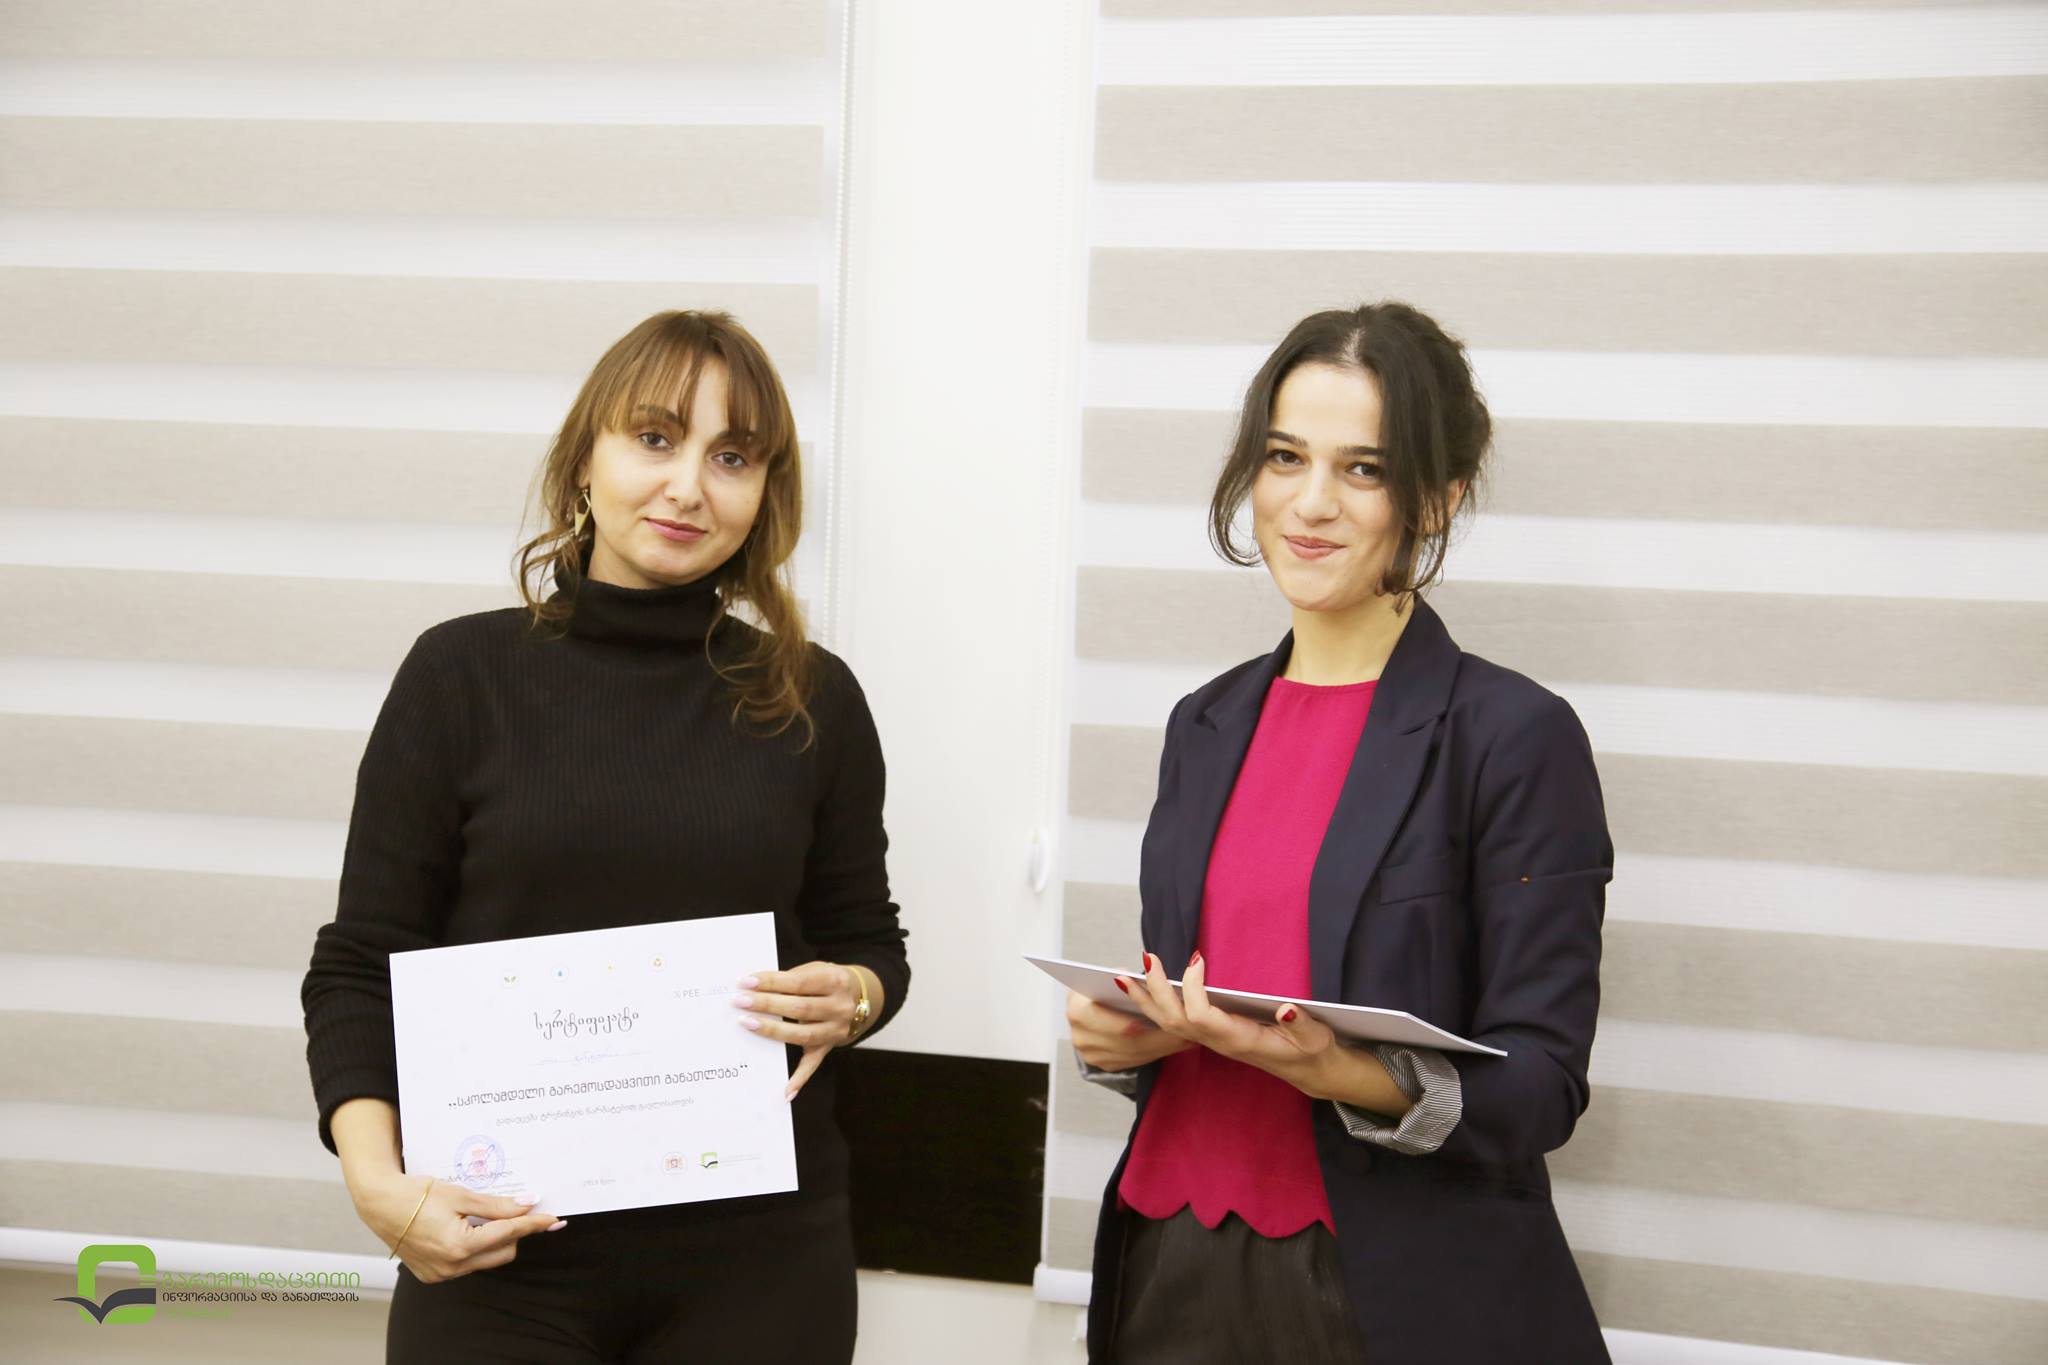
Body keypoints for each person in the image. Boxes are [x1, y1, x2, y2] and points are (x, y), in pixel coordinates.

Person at [301, 310, 909, 1364]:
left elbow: (869, 942)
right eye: (655, 439)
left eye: (732, 457)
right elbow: (361, 961)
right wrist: (375, 1180)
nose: (688, 487)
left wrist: (852, 995)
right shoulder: (459, 676)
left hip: (760, 1255)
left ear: (765, 493)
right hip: (499, 1249)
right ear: (587, 457)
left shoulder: (813, 696)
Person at [1066, 302, 1612, 1363]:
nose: (1310, 502)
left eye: (1364, 469)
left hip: (1387, 1287)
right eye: (1285, 457)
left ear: (1438, 497)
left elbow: (1541, 1084)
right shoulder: (1202, 723)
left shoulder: (1510, 735)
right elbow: (1199, 993)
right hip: (1169, 1252)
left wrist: (1341, 1072)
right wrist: (1130, 1041)